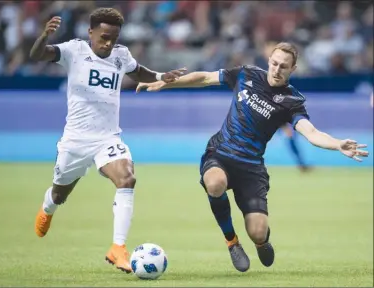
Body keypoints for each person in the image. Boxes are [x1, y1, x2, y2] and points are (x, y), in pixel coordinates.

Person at [136, 42, 369, 272]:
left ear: (293, 69)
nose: (277, 70)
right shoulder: (245, 74)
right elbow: (204, 77)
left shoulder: (292, 101)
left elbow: (311, 132)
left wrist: (337, 144)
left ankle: (261, 241)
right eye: (274, 63)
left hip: (251, 168)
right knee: (215, 183)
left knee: (257, 231)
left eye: (284, 67)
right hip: (220, 153)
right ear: (269, 61)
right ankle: (231, 242)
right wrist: (165, 83)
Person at [29, 8, 185, 273]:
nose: (108, 43)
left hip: (107, 138)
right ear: (90, 32)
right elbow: (36, 55)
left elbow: (138, 71)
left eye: (113, 37)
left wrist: (160, 77)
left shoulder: (120, 55)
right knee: (60, 193)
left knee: (127, 178)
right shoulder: (74, 51)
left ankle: (118, 248)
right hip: (76, 141)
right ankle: (48, 207)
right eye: (103, 37)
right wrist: (43, 36)